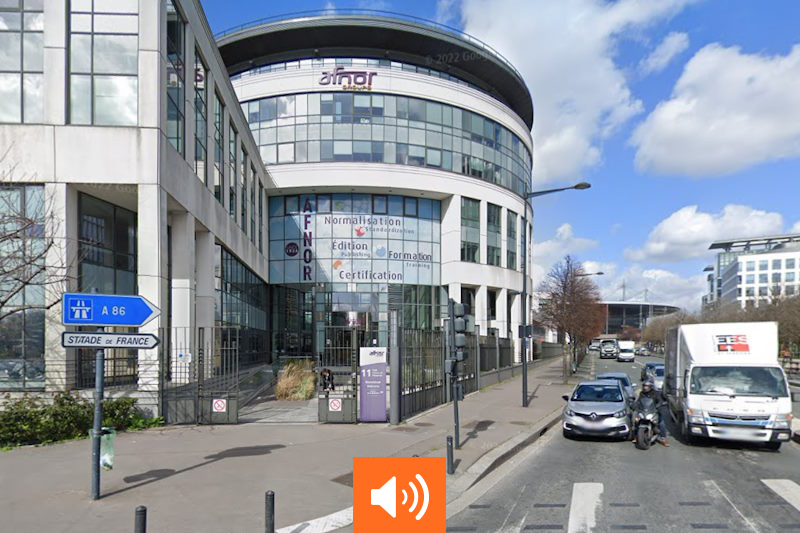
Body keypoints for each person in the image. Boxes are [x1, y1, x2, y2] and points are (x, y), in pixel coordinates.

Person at [633, 379, 669, 446]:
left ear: (651, 387)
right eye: (644, 386)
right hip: (645, 411)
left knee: (662, 424)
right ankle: (636, 436)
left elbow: (660, 401)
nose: (645, 388)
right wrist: (634, 405)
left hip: (655, 411)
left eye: (647, 386)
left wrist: (659, 405)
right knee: (636, 421)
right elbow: (639, 401)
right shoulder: (642, 393)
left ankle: (664, 439)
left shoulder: (656, 393)